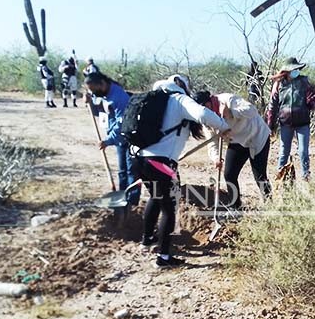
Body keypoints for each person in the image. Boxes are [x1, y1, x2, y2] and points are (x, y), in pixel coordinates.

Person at [135, 80, 230, 268]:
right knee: (169, 208)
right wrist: (223, 125)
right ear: (182, 87)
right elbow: (203, 113)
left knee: (155, 197)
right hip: (162, 163)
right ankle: (163, 258)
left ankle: (147, 240)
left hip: (139, 159)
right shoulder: (178, 99)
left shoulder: (151, 100)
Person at [193, 90, 271, 209]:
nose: (204, 110)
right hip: (237, 142)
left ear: (209, 100)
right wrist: (215, 158)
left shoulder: (227, 100)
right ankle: (236, 206)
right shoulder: (206, 119)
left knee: (259, 175)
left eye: (205, 105)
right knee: (229, 174)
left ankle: (270, 203)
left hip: (257, 136)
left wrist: (231, 112)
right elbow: (212, 142)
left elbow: (251, 110)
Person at [83, 72, 139, 208]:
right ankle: (121, 199)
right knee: (122, 171)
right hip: (120, 139)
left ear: (102, 83)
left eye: (94, 90)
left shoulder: (119, 97)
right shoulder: (104, 95)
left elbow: (121, 124)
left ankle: (132, 203)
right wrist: (90, 104)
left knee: (131, 171)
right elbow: (105, 113)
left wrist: (108, 141)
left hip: (131, 136)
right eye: (91, 91)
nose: (94, 93)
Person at [266, 57, 315, 181]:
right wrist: (270, 125)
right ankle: (280, 176)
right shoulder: (279, 84)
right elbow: (272, 104)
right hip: (285, 122)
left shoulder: (304, 81)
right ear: (286, 71)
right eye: (294, 69)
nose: (296, 71)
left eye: (297, 69)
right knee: (284, 152)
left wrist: (311, 103)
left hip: (303, 122)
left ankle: (306, 177)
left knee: (303, 152)